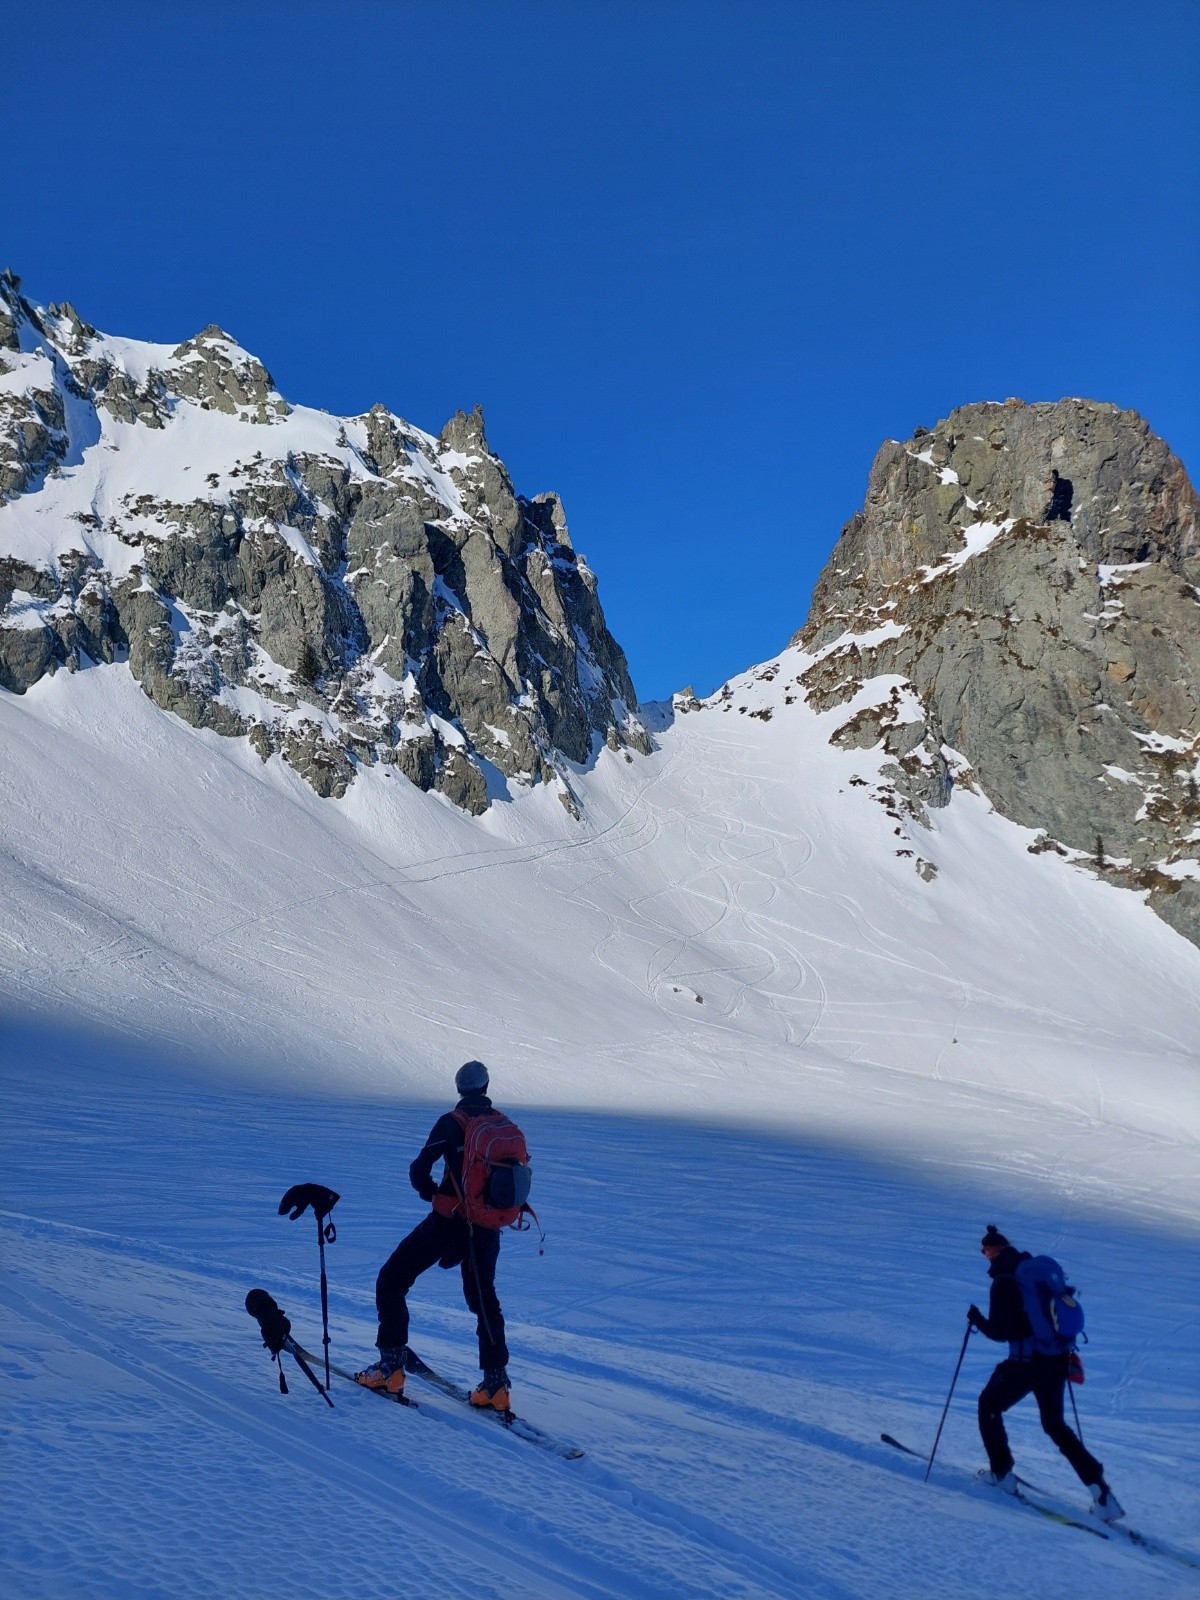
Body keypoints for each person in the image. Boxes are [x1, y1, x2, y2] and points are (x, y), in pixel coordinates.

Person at [356, 1060, 511, 1409]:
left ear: (460, 1089)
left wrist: (433, 1194)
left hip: (449, 1223)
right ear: (485, 1087)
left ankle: (391, 1369)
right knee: (485, 1301)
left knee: (392, 1279)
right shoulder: (501, 1124)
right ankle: (495, 1386)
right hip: (486, 1227)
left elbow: (418, 1169)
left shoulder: (450, 1123)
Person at [967, 1225, 1123, 1521]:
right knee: (1055, 1425)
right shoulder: (1034, 1271)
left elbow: (1002, 1332)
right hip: (1056, 1359)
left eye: (986, 1251)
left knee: (988, 1405)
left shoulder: (1004, 1282)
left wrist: (977, 1319)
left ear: (994, 1252)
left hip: (1026, 1362)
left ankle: (1002, 1474)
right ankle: (1102, 1494)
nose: (984, 1256)